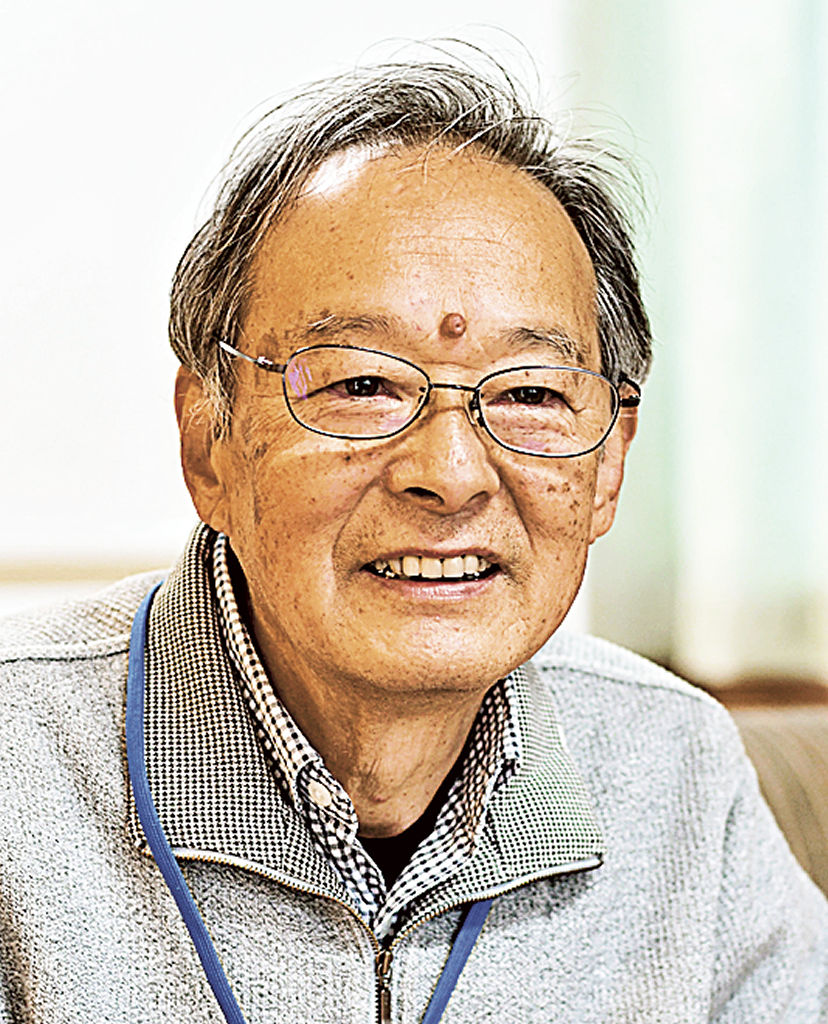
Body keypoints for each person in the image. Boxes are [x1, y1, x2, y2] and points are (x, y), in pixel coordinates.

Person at [1, 58, 826, 1024]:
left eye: (531, 394)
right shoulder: (20, 767)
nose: (453, 471)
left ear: (609, 464)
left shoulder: (673, 766)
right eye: (362, 384)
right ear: (207, 441)